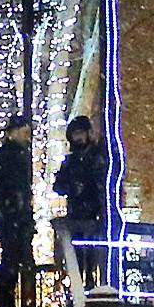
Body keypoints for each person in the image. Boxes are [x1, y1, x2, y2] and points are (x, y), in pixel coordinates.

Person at [0, 114, 36, 307]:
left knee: (13, 260)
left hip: (13, 216)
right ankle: (12, 306)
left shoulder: (9, 157)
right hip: (14, 217)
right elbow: (9, 188)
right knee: (15, 260)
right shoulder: (12, 157)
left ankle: (6, 306)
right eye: (24, 133)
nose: (27, 137)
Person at [53, 114, 109, 273]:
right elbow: (58, 186)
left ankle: (91, 281)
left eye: (80, 133)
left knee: (93, 252)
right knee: (77, 255)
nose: (77, 138)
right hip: (76, 215)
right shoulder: (71, 162)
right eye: (75, 134)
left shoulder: (97, 158)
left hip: (94, 215)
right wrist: (72, 187)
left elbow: (100, 184)